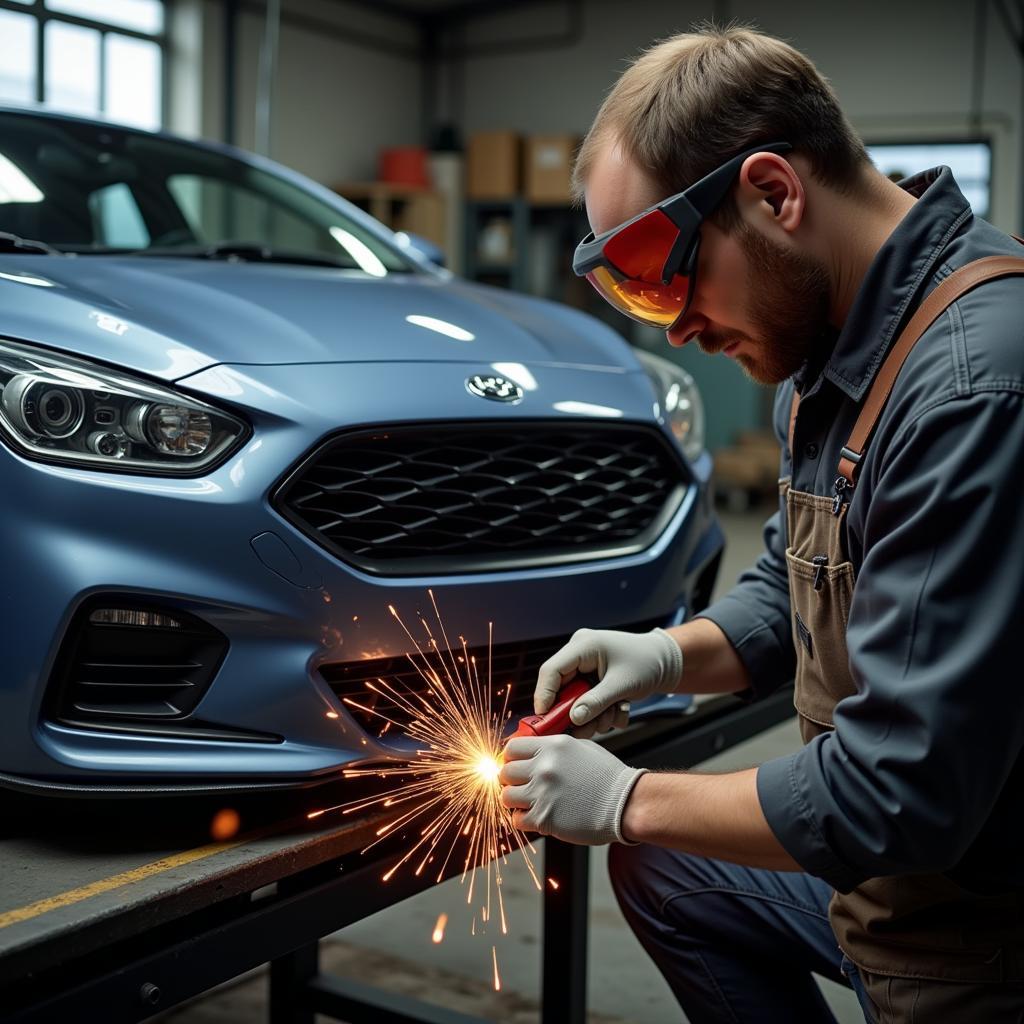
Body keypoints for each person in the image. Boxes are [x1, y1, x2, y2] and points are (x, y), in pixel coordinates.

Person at [498, 24, 1024, 1023]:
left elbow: (892, 796)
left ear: (774, 192)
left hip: (978, 934)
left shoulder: (973, 388)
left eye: (669, 279)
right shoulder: (826, 353)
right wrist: (659, 657)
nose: (680, 328)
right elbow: (789, 591)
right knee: (670, 871)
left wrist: (623, 799)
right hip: (884, 887)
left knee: (646, 832)